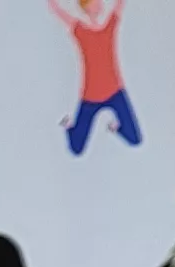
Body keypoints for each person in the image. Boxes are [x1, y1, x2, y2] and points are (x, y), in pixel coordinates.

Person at [57, 0, 136, 155]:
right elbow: (58, 11)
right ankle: (68, 126)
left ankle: (114, 128)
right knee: (76, 148)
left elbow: (120, 4)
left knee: (134, 138)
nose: (99, 4)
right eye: (95, 2)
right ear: (86, 8)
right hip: (90, 96)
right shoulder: (80, 31)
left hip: (115, 91)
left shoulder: (109, 26)